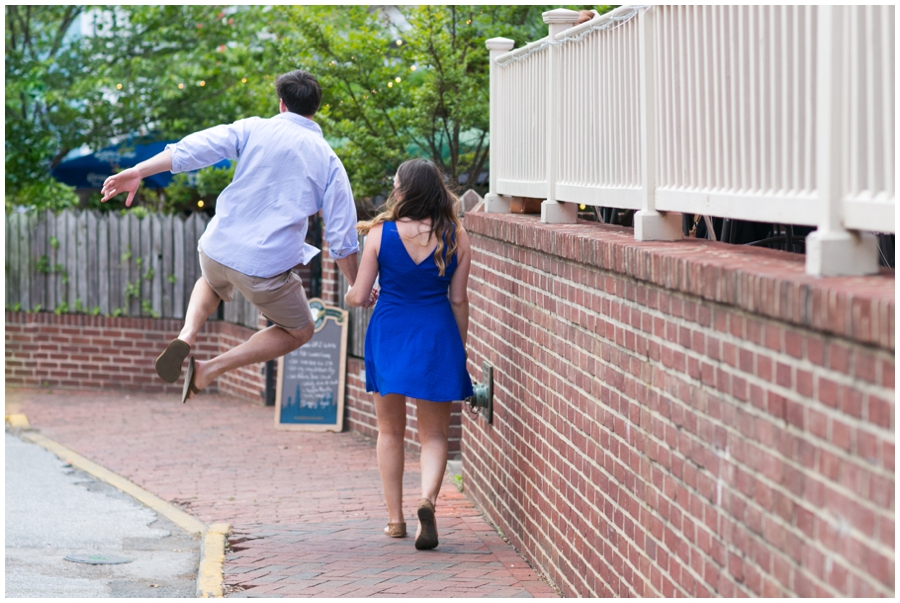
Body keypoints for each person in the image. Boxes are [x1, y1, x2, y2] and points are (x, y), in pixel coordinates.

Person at [101, 69, 375, 403]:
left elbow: (194, 149)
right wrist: (355, 284)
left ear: (282, 104)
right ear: (315, 109)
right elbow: (342, 235)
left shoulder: (253, 127)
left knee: (212, 280)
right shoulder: (328, 160)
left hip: (216, 248)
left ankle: (187, 333)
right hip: (264, 267)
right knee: (301, 330)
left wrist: (139, 170)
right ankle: (210, 369)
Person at [345, 159, 473, 550]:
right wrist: (459, 348)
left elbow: (357, 295)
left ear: (404, 190)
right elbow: (459, 299)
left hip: (390, 333)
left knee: (389, 431)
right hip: (436, 334)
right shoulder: (456, 235)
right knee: (434, 434)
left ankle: (396, 520)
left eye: (396, 183)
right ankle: (427, 502)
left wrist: (361, 294)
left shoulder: (380, 235)